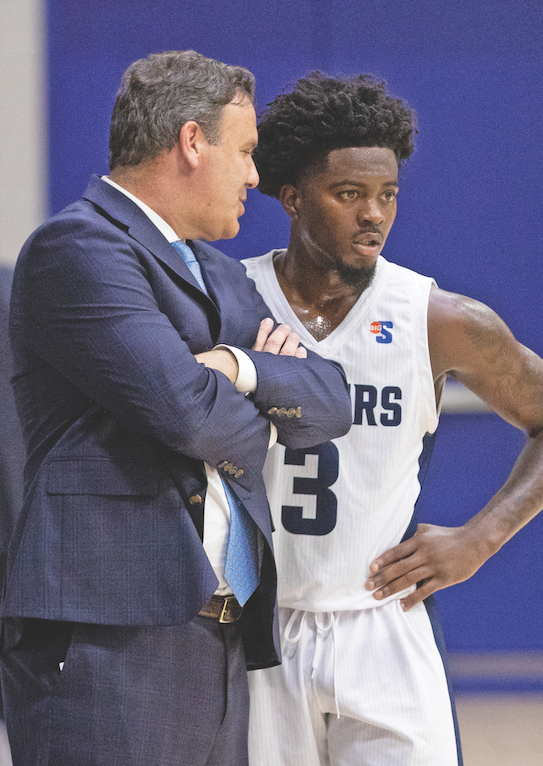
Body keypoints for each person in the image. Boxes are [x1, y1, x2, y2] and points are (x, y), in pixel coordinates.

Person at [0, 52, 352, 766]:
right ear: (192, 142)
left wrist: (236, 364)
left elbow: (328, 405)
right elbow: (188, 414)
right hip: (108, 641)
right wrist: (262, 393)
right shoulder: (78, 248)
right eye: (246, 151)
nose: (255, 176)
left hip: (215, 634)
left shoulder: (219, 272)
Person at [243, 71, 543, 766]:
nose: (372, 214)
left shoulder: (437, 318)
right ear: (291, 199)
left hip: (381, 624)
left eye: (386, 195)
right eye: (348, 195)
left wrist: (481, 539)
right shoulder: (232, 300)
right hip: (258, 633)